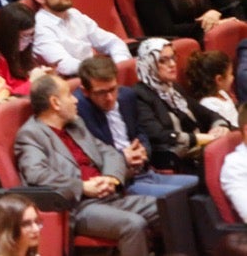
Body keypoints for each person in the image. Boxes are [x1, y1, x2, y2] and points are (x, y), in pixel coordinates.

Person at [14, 73, 159, 256]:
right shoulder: (31, 135)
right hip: (78, 207)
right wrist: (82, 187)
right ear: (55, 103)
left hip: (109, 196)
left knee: (166, 208)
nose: (75, 100)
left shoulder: (76, 124)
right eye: (69, 95)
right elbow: (37, 174)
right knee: (133, 224)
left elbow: (109, 152)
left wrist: (111, 178)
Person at [75, 55, 200, 201]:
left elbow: (141, 132)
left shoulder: (127, 97)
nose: (109, 97)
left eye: (113, 89)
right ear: (85, 91)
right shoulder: (79, 112)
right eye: (101, 92)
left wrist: (142, 151)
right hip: (121, 183)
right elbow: (91, 154)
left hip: (145, 172)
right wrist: (123, 157)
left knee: (202, 185)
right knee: (178, 198)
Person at [134, 37, 231, 163]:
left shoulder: (174, 88)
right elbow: (157, 135)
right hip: (178, 159)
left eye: (173, 57)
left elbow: (208, 114)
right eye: (163, 61)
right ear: (149, 64)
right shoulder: (140, 95)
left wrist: (220, 126)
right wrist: (198, 138)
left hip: (202, 149)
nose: (172, 64)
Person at [27, 0, 131, 76]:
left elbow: (112, 42)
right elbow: (65, 66)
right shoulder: (41, 27)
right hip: (78, 81)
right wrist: (102, 71)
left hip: (96, 72)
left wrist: (121, 66)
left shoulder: (73, 13)